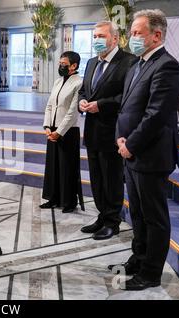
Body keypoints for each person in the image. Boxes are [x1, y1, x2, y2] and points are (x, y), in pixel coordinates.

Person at [112, 9, 179, 291]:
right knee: (138, 214)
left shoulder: (167, 66)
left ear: (157, 35)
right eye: (132, 32)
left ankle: (151, 273)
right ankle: (139, 257)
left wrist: (130, 144)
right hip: (131, 151)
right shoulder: (138, 64)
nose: (132, 37)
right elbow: (126, 108)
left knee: (154, 217)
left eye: (137, 33)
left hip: (151, 155)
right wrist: (121, 138)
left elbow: (155, 114)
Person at [78, 21, 137, 240]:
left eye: (101, 36)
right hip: (92, 130)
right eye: (94, 36)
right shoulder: (92, 62)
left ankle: (113, 221)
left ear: (115, 38)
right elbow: (84, 90)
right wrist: (82, 102)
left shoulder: (129, 62)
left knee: (111, 179)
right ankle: (102, 216)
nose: (96, 40)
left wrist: (101, 104)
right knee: (96, 178)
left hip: (113, 131)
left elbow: (128, 96)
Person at [40, 51, 83, 213]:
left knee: (67, 167)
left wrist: (59, 132)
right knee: (53, 167)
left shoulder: (79, 83)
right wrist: (47, 127)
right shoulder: (58, 82)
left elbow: (72, 112)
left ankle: (69, 201)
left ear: (74, 66)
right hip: (52, 130)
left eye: (64, 64)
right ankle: (53, 198)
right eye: (60, 63)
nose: (61, 66)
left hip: (68, 131)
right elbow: (50, 105)